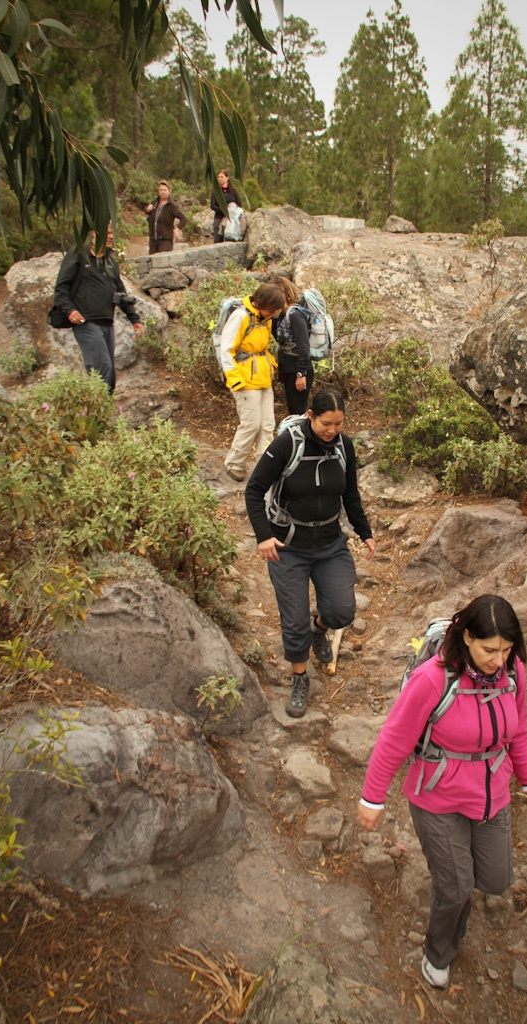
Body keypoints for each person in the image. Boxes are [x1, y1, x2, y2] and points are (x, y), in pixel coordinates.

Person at [357, 595, 527, 990]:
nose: (499, 660)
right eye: (490, 650)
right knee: (457, 887)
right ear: (467, 638)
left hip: (491, 793)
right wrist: (372, 798)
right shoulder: (434, 679)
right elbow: (394, 739)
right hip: (437, 797)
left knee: (496, 880)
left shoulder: (513, 673)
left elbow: (519, 731)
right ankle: (438, 953)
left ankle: (455, 890)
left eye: (507, 650)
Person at [245, 389, 376, 718]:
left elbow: (350, 494)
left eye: (339, 424)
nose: (332, 430)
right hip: (288, 547)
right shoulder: (287, 444)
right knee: (294, 620)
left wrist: (365, 532)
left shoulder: (344, 446)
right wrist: (263, 536)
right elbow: (254, 489)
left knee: (342, 611)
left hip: (330, 543)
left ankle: (320, 630)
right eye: (326, 424)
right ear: (310, 416)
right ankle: (300, 678)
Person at [53, 224, 143, 394]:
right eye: (107, 232)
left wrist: (134, 319)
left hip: (107, 323)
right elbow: (61, 288)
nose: (111, 236)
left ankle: (104, 405)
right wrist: (69, 310)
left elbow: (120, 291)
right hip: (86, 322)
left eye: (112, 233)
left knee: (110, 373)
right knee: (101, 367)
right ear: (94, 233)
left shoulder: (110, 262)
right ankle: (99, 406)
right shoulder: (78, 255)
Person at [219, 283, 284, 482]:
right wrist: (236, 380)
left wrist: (272, 366)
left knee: (267, 425)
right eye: (272, 309)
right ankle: (234, 464)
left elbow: (263, 348)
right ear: (261, 303)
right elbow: (226, 350)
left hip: (263, 378)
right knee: (251, 424)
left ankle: (265, 466)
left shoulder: (265, 320)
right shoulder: (241, 317)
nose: (274, 314)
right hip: (245, 381)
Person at [272, 277, 313, 415]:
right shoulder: (282, 315)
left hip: (298, 370)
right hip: (289, 368)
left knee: (298, 412)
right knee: (294, 411)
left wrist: (301, 373)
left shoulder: (295, 314)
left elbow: (304, 345)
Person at [145, 180, 187, 255]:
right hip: (153, 240)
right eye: (161, 190)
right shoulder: (155, 203)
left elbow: (184, 219)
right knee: (152, 260)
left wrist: (177, 229)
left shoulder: (171, 206)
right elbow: (147, 212)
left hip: (165, 241)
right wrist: (148, 209)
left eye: (165, 190)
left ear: (169, 191)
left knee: (163, 260)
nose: (163, 192)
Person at [211, 170, 241, 243]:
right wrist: (224, 210)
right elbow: (213, 205)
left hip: (232, 219)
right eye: (218, 177)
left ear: (227, 178)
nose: (220, 179)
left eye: (222, 177)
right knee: (217, 239)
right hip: (219, 217)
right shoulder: (215, 191)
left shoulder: (233, 191)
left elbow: (239, 205)